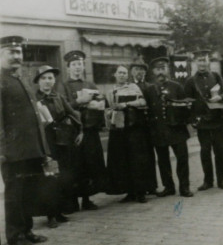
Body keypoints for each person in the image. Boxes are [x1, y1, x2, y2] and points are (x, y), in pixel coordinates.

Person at [0, 35, 54, 245]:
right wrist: (2, 150)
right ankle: (15, 237)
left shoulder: (20, 78)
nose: (16, 56)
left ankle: (27, 231)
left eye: (19, 52)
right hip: (13, 152)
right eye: (11, 52)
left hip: (31, 149)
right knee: (14, 196)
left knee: (28, 192)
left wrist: (42, 146)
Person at [33, 65, 83, 227]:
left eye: (51, 78)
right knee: (49, 177)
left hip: (62, 141)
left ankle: (59, 211)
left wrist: (80, 130)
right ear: (38, 81)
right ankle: (50, 215)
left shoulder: (58, 97)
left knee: (63, 176)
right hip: (45, 143)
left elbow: (72, 113)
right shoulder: (34, 99)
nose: (48, 82)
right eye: (44, 78)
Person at [58, 50, 106, 210]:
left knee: (89, 165)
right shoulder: (63, 86)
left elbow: (100, 104)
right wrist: (79, 101)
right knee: (74, 166)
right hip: (73, 133)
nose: (77, 67)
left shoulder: (90, 85)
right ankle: (72, 200)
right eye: (74, 65)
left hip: (90, 131)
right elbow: (61, 108)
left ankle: (86, 199)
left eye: (80, 64)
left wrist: (100, 103)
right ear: (68, 68)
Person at [146, 57, 193, 197]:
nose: (161, 72)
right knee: (163, 161)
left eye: (163, 68)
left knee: (182, 159)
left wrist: (183, 118)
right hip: (159, 131)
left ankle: (184, 188)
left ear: (168, 70)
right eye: (158, 69)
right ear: (154, 71)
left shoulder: (177, 86)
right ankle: (168, 187)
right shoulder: (149, 90)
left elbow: (186, 107)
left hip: (176, 130)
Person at [105, 64, 152, 203]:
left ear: (128, 75)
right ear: (115, 74)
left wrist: (126, 104)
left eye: (124, 73)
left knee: (137, 160)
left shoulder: (134, 87)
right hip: (118, 129)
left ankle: (141, 191)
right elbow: (107, 109)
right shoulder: (110, 91)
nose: (122, 75)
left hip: (134, 128)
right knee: (122, 160)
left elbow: (143, 101)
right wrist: (109, 113)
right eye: (119, 72)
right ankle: (129, 192)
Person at [184, 50, 223, 191]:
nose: (202, 63)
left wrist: (220, 97)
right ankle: (208, 180)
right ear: (195, 62)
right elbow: (188, 102)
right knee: (205, 151)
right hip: (202, 121)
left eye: (204, 60)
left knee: (220, 150)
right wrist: (192, 120)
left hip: (217, 119)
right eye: (199, 60)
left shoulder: (216, 76)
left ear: (208, 61)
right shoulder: (191, 81)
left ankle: (221, 180)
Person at [130, 60, 158, 194]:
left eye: (142, 70)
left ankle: (151, 186)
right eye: (136, 69)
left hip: (147, 125)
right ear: (132, 72)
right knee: (136, 157)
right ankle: (137, 188)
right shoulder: (128, 87)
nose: (139, 72)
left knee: (149, 156)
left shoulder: (150, 87)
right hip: (133, 126)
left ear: (145, 72)